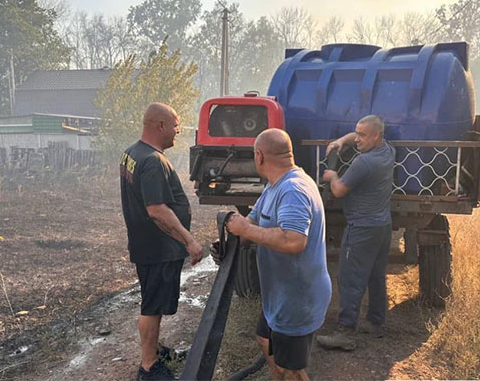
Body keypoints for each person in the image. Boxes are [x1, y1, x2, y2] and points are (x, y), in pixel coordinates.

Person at [225, 128, 331, 381]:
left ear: (259, 156)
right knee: (265, 338)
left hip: (297, 298)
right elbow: (250, 222)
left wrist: (247, 229)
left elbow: (293, 241)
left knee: (291, 369)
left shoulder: (293, 190)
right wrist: (232, 238)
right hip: (281, 296)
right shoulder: (275, 186)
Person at [120, 103, 204, 381]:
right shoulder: (153, 162)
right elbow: (156, 210)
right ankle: (149, 367)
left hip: (145, 245)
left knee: (151, 301)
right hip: (157, 248)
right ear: (160, 126)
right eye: (175, 126)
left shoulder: (132, 153)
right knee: (152, 307)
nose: (178, 131)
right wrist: (189, 241)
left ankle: (154, 351)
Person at [316, 115, 395, 352]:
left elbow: (339, 190)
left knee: (350, 278)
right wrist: (342, 140)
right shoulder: (388, 151)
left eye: (362, 135)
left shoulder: (365, 163)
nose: (357, 139)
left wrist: (332, 177)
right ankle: (375, 322)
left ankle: (345, 332)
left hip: (362, 228)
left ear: (376, 136)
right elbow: (355, 137)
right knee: (375, 275)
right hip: (382, 226)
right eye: (356, 133)